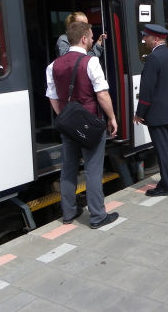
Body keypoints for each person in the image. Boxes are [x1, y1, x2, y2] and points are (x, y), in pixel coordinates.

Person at [46, 21, 119, 228]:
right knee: (93, 170)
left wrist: (65, 117)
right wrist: (112, 118)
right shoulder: (91, 62)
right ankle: (97, 216)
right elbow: (102, 94)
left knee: (68, 168)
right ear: (84, 38)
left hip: (68, 126)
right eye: (90, 36)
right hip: (91, 125)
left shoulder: (53, 65)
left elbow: (52, 97)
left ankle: (68, 213)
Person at [133, 24, 168, 196]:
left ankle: (166, 186)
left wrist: (140, 113)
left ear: (155, 39)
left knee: (162, 150)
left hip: (157, 113)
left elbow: (147, 90)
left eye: (146, 37)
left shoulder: (154, 59)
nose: (144, 40)